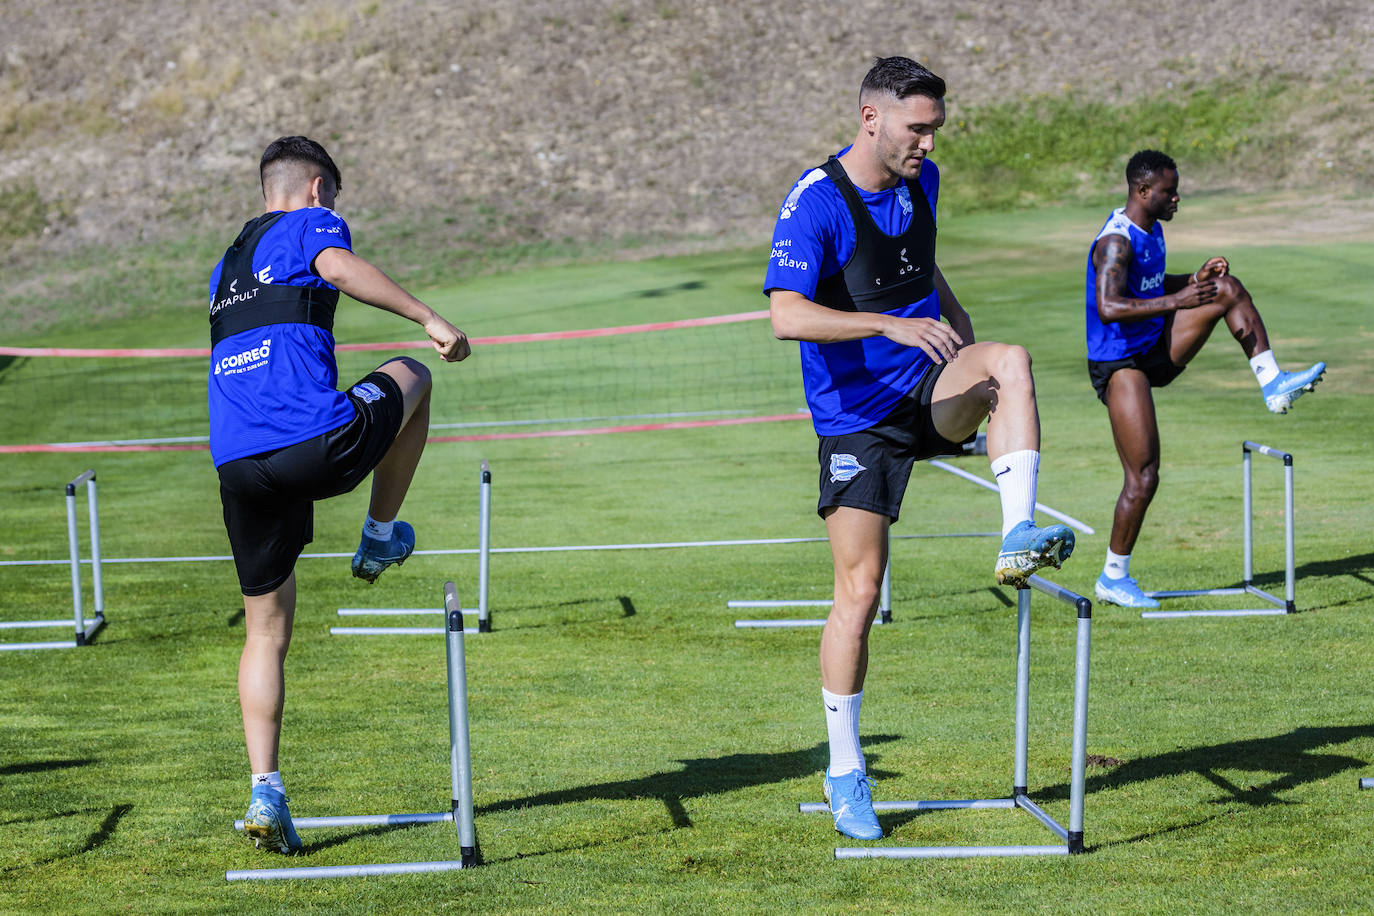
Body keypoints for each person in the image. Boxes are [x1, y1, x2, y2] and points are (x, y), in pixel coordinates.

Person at [764, 57, 1075, 841]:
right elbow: (787, 316)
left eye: (935, 129)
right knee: (860, 593)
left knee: (1008, 362)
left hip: (928, 392)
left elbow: (925, 270)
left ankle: (1015, 537)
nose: (928, 144)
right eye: (917, 128)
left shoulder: (920, 184)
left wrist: (961, 344)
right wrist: (890, 324)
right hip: (854, 421)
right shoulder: (816, 202)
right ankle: (845, 773)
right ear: (872, 118)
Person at [208, 136, 469, 853]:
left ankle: (267, 790)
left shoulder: (225, 265)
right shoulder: (310, 224)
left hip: (238, 464)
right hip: (309, 442)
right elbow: (339, 269)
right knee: (412, 375)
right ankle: (382, 530)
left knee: (266, 630)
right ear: (318, 188)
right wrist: (427, 316)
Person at [1086, 150, 1325, 609]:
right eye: (1168, 191)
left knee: (1225, 289)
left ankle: (1272, 382)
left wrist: (1193, 280)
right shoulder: (1115, 243)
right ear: (1141, 192)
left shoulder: (1151, 229)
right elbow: (1109, 306)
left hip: (1154, 344)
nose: (1177, 198)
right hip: (1120, 364)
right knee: (1144, 476)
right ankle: (1113, 577)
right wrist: (1180, 301)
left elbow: (1151, 284)